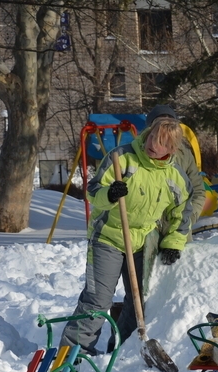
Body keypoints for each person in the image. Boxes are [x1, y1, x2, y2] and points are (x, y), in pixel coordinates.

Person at [60, 118, 193, 355]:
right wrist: (109, 195)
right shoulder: (122, 157)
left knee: (139, 302)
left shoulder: (175, 176)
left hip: (142, 241)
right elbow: (92, 191)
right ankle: (73, 353)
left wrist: (173, 242)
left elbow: (181, 212)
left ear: (171, 149)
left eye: (162, 142)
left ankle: (123, 350)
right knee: (98, 299)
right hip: (108, 237)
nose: (153, 144)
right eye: (152, 136)